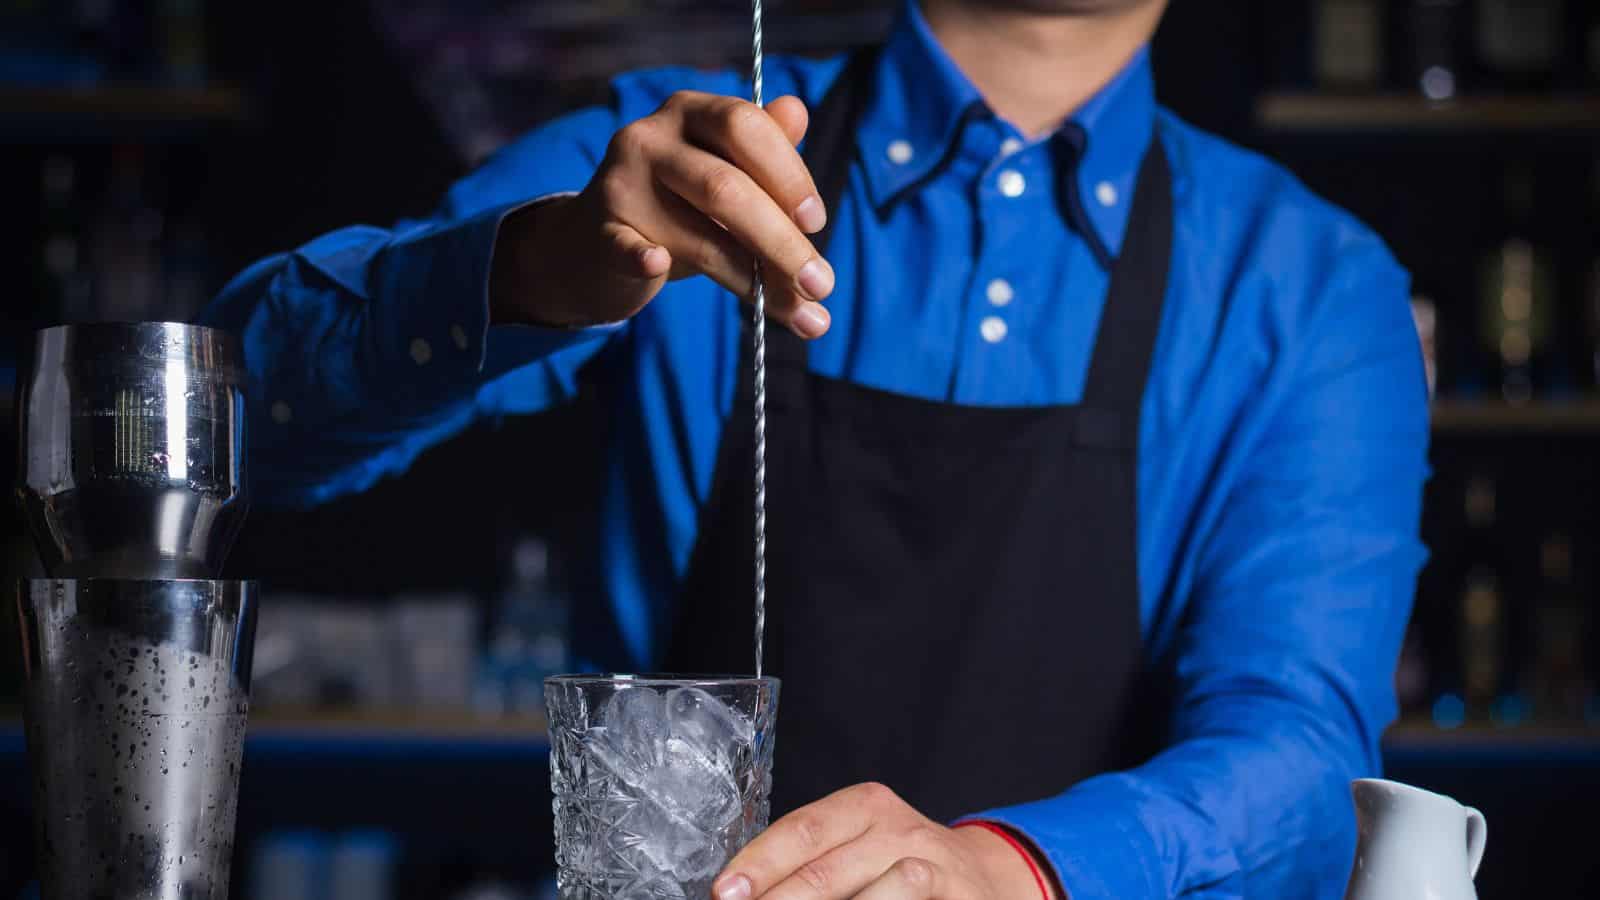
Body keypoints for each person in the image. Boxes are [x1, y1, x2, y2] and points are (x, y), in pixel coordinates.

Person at [203, 0, 1430, 896]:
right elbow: (229, 427)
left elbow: (1304, 765)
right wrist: (532, 268)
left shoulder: (1311, 288)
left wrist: (1016, 871)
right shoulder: (676, 155)